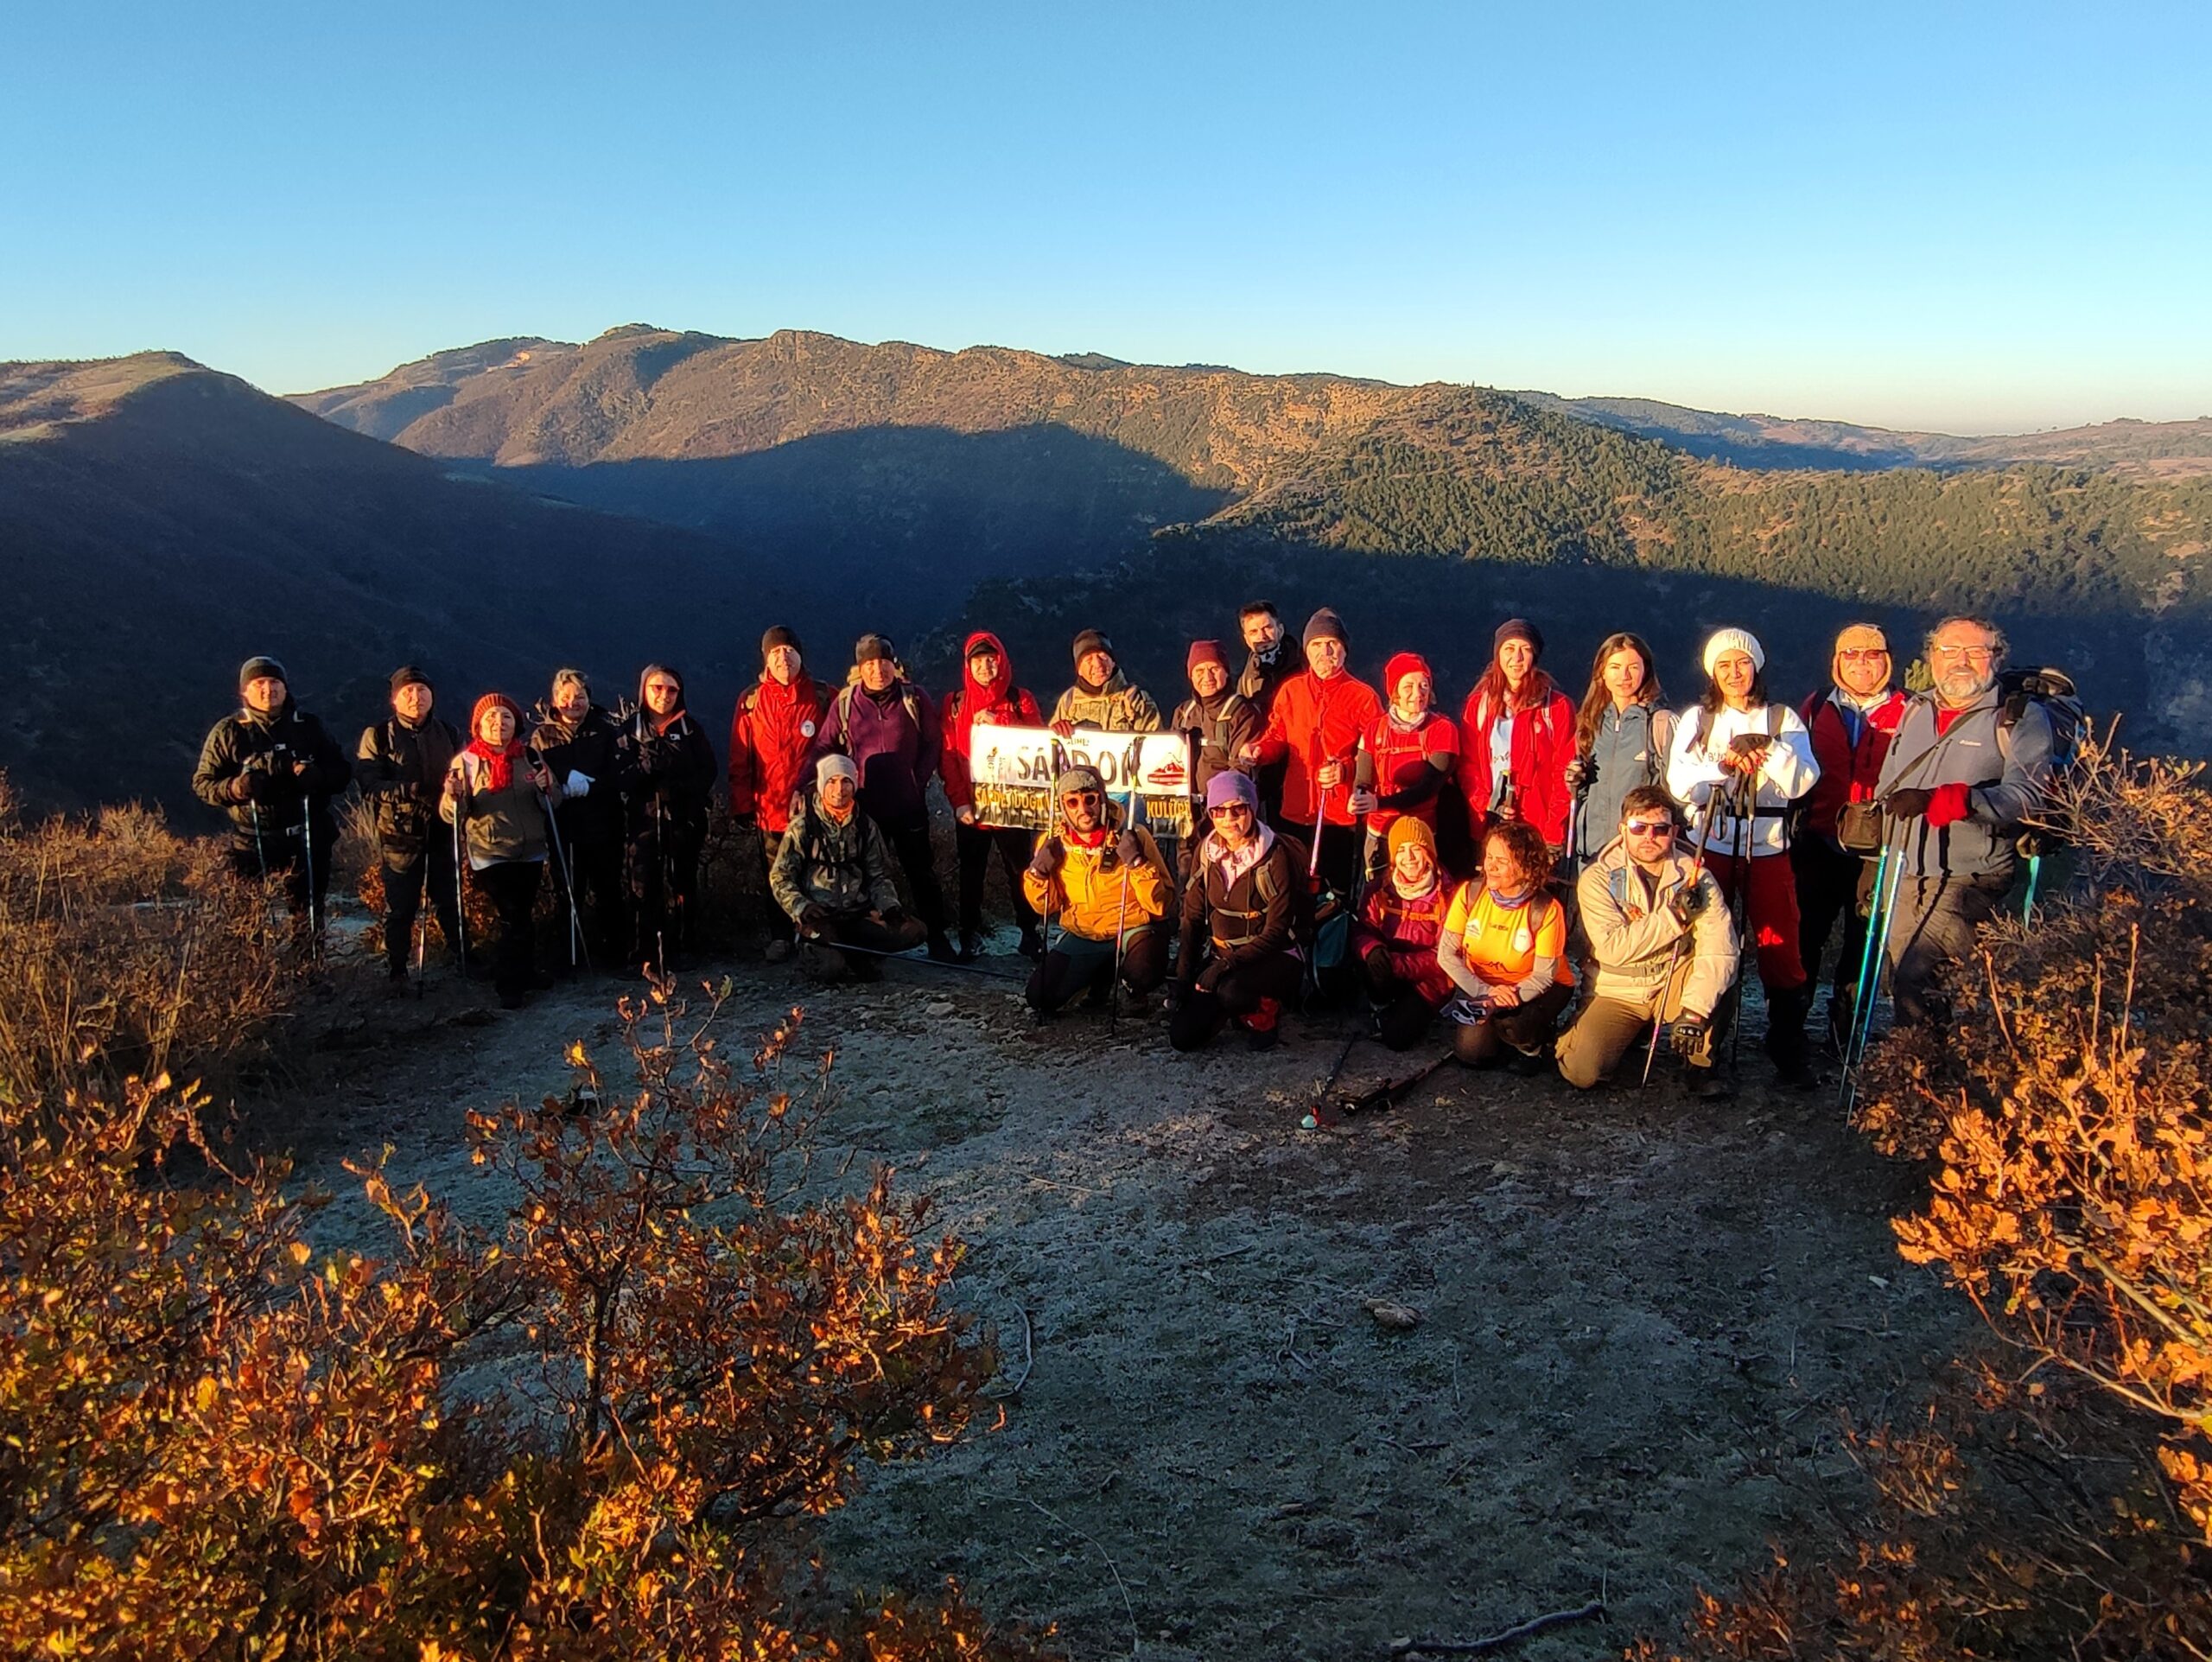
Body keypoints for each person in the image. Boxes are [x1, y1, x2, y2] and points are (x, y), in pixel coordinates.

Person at [1874, 615, 2054, 1028]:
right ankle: (1927, 1057)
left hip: (1970, 875)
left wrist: (1962, 800)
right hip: (1906, 871)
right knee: (1901, 977)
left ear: (1997, 658)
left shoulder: (2017, 717)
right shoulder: (1915, 710)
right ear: (1932, 658)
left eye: (1975, 651)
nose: (1961, 661)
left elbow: (2028, 796)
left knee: (1918, 978)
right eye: (1949, 650)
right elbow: (1889, 785)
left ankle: (1922, 1063)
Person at [1665, 627, 1821, 1086]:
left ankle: (1787, 1044)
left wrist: (1768, 748)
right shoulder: (1697, 720)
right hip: (1710, 841)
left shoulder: (1782, 719)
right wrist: (1723, 765)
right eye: (1725, 665)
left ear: (1757, 667)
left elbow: (1802, 781)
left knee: (1780, 944)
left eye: (1743, 663)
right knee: (1707, 940)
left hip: (1768, 844)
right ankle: (1703, 1051)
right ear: (1712, 672)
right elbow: (1680, 784)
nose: (1735, 673)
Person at [1558, 786, 1739, 1095]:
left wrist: (1695, 1009)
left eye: (1660, 829)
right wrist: (1674, 918)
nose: (1649, 837)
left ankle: (1700, 1065)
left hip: (1672, 979)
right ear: (1622, 829)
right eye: (1638, 828)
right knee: (1582, 1072)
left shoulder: (1697, 877)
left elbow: (1720, 949)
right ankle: (1622, 1034)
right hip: (1617, 988)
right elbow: (1612, 948)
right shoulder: (1597, 877)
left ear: (1675, 831)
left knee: (1722, 980)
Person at [1794, 622, 1909, 1046]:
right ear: (1836, 661)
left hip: (1880, 847)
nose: (1861, 662)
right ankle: (1792, 1024)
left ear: (1888, 660)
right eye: (1851, 654)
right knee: (1807, 935)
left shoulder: (1912, 711)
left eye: (1872, 654)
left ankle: (1846, 1029)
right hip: (1819, 840)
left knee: (1865, 942)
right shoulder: (1816, 706)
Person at [815, 633, 957, 961]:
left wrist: (918, 780)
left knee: (921, 874)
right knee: (865, 876)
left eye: (884, 662)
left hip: (908, 805)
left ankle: (938, 939)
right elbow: (824, 745)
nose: (878, 670)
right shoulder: (846, 704)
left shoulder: (914, 698)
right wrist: (822, 786)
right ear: (860, 668)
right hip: (865, 808)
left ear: (894, 664)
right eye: (870, 664)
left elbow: (933, 742)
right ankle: (871, 944)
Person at [192, 654, 353, 936]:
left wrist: (318, 777)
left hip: (307, 836)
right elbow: (203, 783)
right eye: (260, 683)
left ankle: (308, 963)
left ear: (285, 687)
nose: (269, 689)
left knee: (308, 917)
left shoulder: (308, 726)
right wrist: (235, 788)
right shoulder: (229, 730)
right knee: (249, 920)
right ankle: (257, 965)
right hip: (251, 841)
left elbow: (342, 772)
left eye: (275, 682)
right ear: (245, 691)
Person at [1238, 607, 1382, 901]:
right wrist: (1258, 750)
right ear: (1306, 650)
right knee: (1291, 890)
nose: (1325, 652)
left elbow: (1379, 753)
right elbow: (1277, 736)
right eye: (1316, 644)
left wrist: (1345, 770)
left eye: (1332, 644)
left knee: (1337, 895)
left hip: (1340, 816)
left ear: (1344, 650)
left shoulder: (1363, 696)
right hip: (1295, 810)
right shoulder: (1291, 690)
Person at [1020, 765, 1173, 1021]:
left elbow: (1162, 904)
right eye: (1072, 802)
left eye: (1090, 799)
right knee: (1040, 997)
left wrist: (1137, 864)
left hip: (1132, 928)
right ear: (1063, 806)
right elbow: (1046, 907)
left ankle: (1134, 990)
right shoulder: (1052, 842)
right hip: (1084, 933)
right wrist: (1038, 873)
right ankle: (1098, 979)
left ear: (1102, 798)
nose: (1083, 809)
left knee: (1143, 971)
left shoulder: (1133, 835)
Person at [441, 692, 563, 1009]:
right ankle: (510, 985)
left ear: (516, 722)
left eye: (506, 716)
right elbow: (451, 815)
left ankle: (525, 971)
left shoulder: (531, 756)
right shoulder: (466, 762)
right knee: (513, 916)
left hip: (531, 850)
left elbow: (553, 802)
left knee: (523, 913)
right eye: (491, 718)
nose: (499, 723)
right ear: (478, 725)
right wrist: (453, 797)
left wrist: (547, 788)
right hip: (490, 852)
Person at [1172, 770, 1306, 1053]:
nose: (1229, 819)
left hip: (1273, 956)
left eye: (1238, 809)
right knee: (1182, 1037)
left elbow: (1276, 931)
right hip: (1223, 955)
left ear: (1252, 808)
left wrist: (1223, 967)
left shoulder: (1275, 855)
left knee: (1230, 990)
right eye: (1219, 811)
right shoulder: (1206, 853)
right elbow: (1193, 918)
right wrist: (1184, 978)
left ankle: (1265, 1014)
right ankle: (1233, 1009)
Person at [769, 754, 927, 983]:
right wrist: (801, 907)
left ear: (854, 783)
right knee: (830, 969)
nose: (839, 789)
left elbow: (879, 875)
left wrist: (889, 907)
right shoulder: (803, 827)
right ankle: (826, 956)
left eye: (845, 781)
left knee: (914, 931)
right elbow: (781, 876)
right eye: (832, 781)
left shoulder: (865, 826)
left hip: (858, 914)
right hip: (820, 917)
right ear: (822, 784)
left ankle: (857, 955)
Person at [940, 630, 1046, 961]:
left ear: (1002, 661)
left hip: (1012, 804)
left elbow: (1037, 744)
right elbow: (948, 756)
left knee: (1020, 870)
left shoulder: (1020, 699)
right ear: (967, 665)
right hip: (972, 806)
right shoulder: (955, 704)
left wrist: (999, 721)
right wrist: (959, 801)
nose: (985, 666)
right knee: (971, 873)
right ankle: (970, 935)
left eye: (991, 659)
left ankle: (1029, 933)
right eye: (978, 661)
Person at [1436, 821, 1576, 1071]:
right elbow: (1446, 954)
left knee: (1517, 1026)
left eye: (1501, 861)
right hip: (1485, 987)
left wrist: (1503, 999)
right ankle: (1499, 1035)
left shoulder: (1545, 909)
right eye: (1489, 857)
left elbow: (1544, 976)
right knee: (1471, 1054)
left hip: (1536, 988)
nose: (1490, 866)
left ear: (1526, 867)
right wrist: (1486, 992)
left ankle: (1532, 1047)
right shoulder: (1470, 893)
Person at [355, 665, 462, 985]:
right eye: (408, 692)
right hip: (399, 834)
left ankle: (463, 956)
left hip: (442, 827)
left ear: (432, 696)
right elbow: (369, 785)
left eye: (422, 690)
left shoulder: (449, 732)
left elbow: (463, 772)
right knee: (401, 906)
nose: (416, 697)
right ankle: (398, 968)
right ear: (395, 699)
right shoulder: (378, 736)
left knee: (449, 899)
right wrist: (409, 790)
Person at [728, 626, 830, 963]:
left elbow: (839, 748)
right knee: (778, 876)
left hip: (816, 807)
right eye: (775, 652)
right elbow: (740, 756)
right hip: (769, 807)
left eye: (789, 651)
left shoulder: (823, 695)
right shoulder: (750, 701)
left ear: (800, 655)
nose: (783, 658)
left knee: (818, 873)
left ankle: (816, 935)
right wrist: (742, 803)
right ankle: (781, 937)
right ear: (766, 660)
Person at [617, 663, 718, 970]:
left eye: (672, 689)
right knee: (642, 885)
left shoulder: (690, 729)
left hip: (683, 820)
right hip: (643, 821)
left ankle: (684, 947)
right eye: (657, 688)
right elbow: (617, 775)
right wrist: (645, 768)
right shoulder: (629, 731)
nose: (664, 695)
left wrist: (683, 788)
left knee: (683, 884)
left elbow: (709, 770)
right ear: (644, 690)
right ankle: (644, 953)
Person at [529, 668, 626, 968]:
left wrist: (592, 786)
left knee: (609, 890)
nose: (573, 702)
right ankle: (568, 957)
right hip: (564, 826)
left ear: (589, 698)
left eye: (580, 696)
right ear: (554, 699)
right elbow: (536, 772)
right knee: (568, 892)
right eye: (566, 696)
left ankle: (616, 954)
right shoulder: (542, 736)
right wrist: (560, 780)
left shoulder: (606, 731)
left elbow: (619, 774)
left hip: (605, 824)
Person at [1457, 619, 1575, 856]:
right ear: (1498, 654)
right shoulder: (1479, 705)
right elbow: (1468, 766)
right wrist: (1487, 805)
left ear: (1535, 656)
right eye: (1509, 649)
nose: (1517, 658)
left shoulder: (1556, 707)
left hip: (1538, 827)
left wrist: (1554, 833)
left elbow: (1562, 772)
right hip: (1492, 823)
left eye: (1525, 649)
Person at [1566, 633, 1674, 870]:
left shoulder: (1660, 723)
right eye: (1615, 667)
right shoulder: (1589, 723)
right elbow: (1586, 794)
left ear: (1646, 670)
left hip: (1639, 853)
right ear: (1602, 672)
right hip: (1592, 853)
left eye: (1633, 667)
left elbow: (1672, 795)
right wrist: (1575, 781)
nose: (1624, 676)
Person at [1351, 817, 1457, 1050]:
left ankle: (1403, 1016)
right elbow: (1362, 929)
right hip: (1388, 970)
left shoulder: (1449, 895)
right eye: (1401, 850)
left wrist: (1396, 964)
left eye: (1416, 849)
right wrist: (1372, 950)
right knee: (1368, 960)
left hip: (1429, 982)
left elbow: (1446, 955)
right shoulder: (1379, 889)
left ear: (1429, 853)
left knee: (1397, 1040)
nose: (1408, 858)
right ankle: (1380, 1006)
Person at [1348, 651, 1458, 874]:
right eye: (1408, 686)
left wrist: (1378, 804)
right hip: (1380, 831)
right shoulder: (1374, 729)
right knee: (1377, 889)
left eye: (1424, 686)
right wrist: (1358, 798)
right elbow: (1363, 780)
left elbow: (1428, 788)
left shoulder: (1442, 729)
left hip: (1420, 831)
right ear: (1394, 690)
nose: (1418, 694)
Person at [1171, 639, 1262, 807]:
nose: (1207, 677)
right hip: (1184, 807)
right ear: (1191, 676)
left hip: (1226, 808)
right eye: (1199, 670)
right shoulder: (1184, 713)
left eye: (1214, 669)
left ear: (1226, 672)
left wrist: (1220, 806)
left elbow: (1242, 768)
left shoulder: (1242, 712)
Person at [1236, 600, 1300, 825]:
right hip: (1262, 769)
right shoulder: (1247, 679)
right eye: (1254, 632)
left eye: (1267, 628)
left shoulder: (1303, 667)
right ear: (1246, 639)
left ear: (1280, 629)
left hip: (1298, 767)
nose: (1262, 636)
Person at [1050, 628, 1163, 735]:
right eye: (1089, 660)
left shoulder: (1135, 700)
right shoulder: (1068, 701)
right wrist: (1057, 729)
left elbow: (1155, 744)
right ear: (1079, 670)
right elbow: (1049, 743)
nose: (1098, 665)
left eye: (1103, 657)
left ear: (1113, 662)